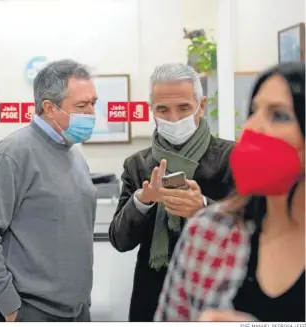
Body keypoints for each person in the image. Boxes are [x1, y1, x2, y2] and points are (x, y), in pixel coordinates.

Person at [155, 62, 305, 322]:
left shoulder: (222, 156)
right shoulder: (209, 232)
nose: (252, 128)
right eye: (253, 111)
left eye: (279, 115)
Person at [0, 59, 98, 322]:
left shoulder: (75, 156)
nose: (91, 113)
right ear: (49, 107)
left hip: (75, 311)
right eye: (82, 106)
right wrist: (10, 306)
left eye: (93, 103)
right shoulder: (12, 154)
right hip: (28, 310)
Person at [108, 63, 235, 321]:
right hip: (153, 293)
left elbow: (257, 230)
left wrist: (203, 207)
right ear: (151, 111)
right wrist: (143, 201)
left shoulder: (232, 158)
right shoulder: (138, 165)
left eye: (184, 108)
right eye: (163, 109)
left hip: (218, 291)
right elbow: (120, 240)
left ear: (201, 104)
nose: (174, 118)